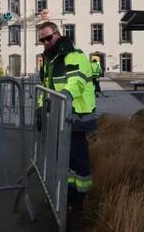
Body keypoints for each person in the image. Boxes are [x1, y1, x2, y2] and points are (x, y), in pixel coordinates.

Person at [34, 21, 97, 211]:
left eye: (48, 38)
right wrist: (39, 109)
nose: (45, 42)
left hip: (77, 114)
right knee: (67, 158)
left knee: (79, 158)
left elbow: (76, 82)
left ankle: (82, 198)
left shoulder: (73, 54)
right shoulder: (50, 59)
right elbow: (46, 86)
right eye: (41, 40)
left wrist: (61, 99)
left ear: (58, 34)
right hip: (61, 114)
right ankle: (69, 194)